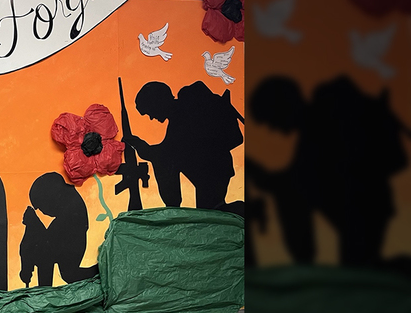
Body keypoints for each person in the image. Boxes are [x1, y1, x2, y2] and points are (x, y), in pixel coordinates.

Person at [248, 76, 408, 267]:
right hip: (363, 206)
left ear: (282, 105)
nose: (274, 129)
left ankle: (305, 265)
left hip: (364, 205)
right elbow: (298, 177)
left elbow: (297, 181)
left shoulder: (325, 120)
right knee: (361, 267)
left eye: (271, 120)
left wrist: (265, 178)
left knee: (360, 269)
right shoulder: (316, 126)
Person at [125, 81, 243, 211]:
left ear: (158, 102)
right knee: (211, 211)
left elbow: (167, 153)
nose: (152, 117)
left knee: (212, 211)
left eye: (150, 111)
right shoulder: (180, 116)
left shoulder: (185, 112)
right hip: (213, 170)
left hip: (213, 170)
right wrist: (143, 147)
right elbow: (169, 150)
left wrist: (143, 148)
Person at [19, 172, 97, 287]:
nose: (42, 211)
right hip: (70, 237)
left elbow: (46, 247)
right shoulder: (69, 209)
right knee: (68, 273)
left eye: (41, 206)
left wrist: (34, 224)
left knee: (68, 273)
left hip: (72, 238)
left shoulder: (71, 211)